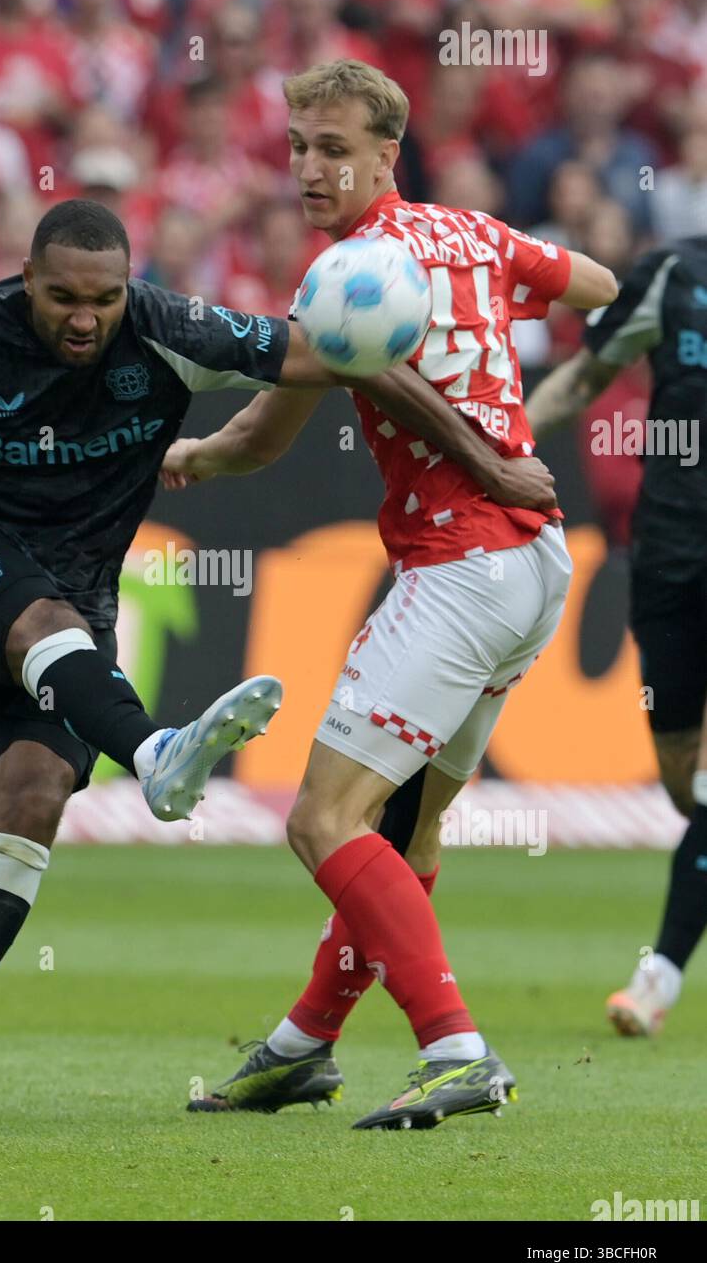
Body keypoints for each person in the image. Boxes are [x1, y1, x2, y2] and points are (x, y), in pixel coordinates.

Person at [0, 196, 558, 1131]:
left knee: (28, 809)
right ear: (27, 280)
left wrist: (487, 465)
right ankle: (158, 754)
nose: (83, 318)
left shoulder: (169, 326)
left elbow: (339, 357)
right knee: (45, 621)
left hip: (77, 618)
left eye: (103, 299)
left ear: (127, 286)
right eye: (60, 298)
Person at [162, 59, 617, 1129]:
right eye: (297, 146)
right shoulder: (472, 236)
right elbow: (594, 284)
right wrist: (507, 318)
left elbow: (262, 437)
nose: (310, 169)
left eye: (334, 149)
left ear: (383, 156)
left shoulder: (346, 275)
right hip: (534, 567)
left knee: (324, 819)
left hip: (460, 565)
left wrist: (199, 457)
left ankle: (456, 1048)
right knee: (402, 846)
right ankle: (301, 1046)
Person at [525, 236, 707, 1037]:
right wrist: (498, 444)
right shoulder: (672, 272)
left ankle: (657, 974)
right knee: (684, 781)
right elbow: (589, 376)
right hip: (668, 552)